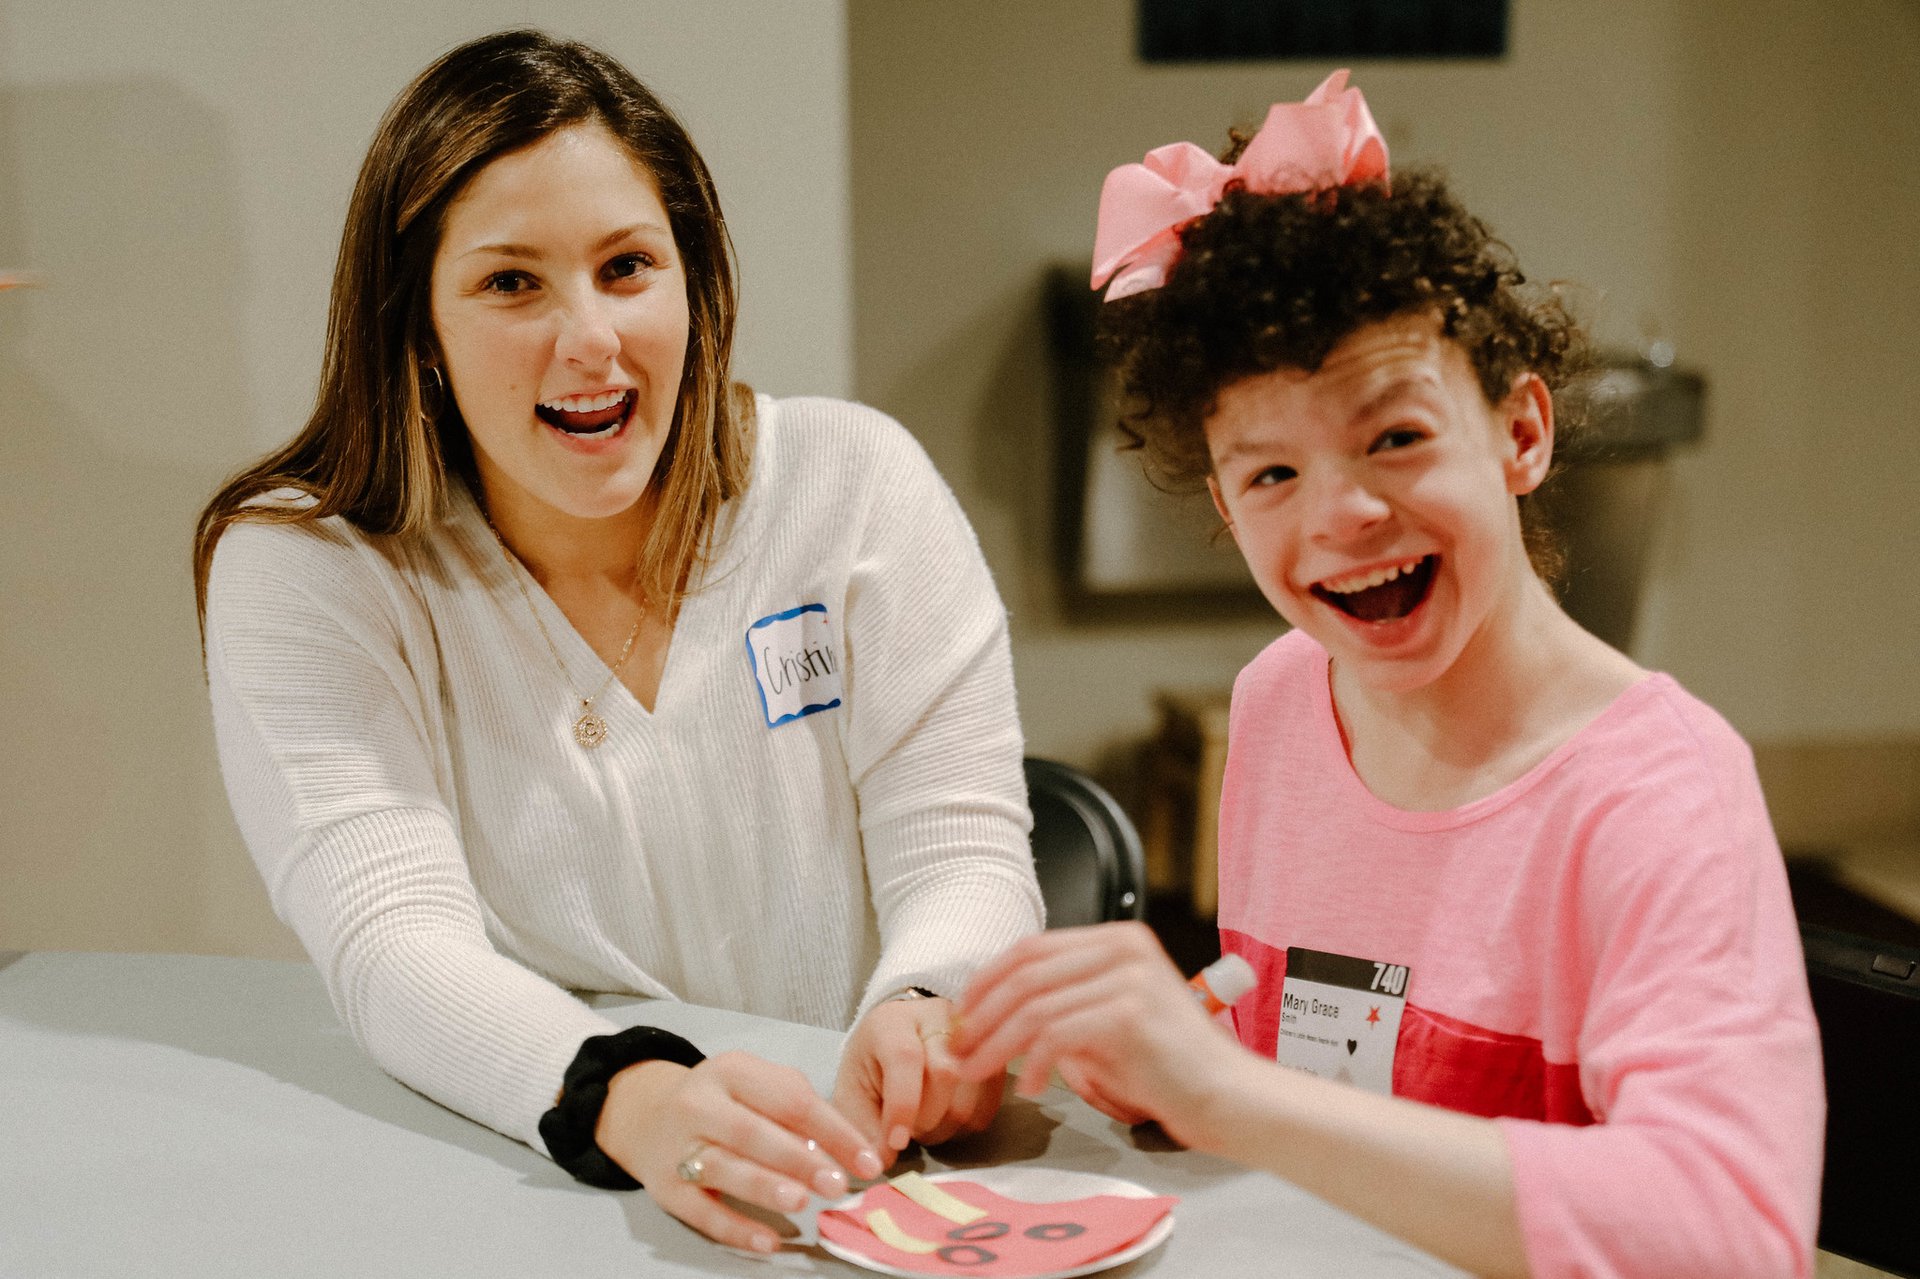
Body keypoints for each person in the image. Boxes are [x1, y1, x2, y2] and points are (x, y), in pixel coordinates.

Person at [950, 72, 1822, 1279]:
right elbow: (1323, 1071)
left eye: (1395, 437)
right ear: (1221, 503)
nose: (1344, 515)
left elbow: (1732, 1235)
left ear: (1522, 431)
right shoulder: (1280, 702)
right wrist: (1179, 1064)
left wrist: (1234, 1099)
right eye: (1271, 475)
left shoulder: (1658, 792)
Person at [194, 29, 1042, 1255]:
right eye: (511, 283)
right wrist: (627, 1099)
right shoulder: (306, 567)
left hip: (873, 1193)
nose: (589, 338)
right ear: (416, 327)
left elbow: (964, 850)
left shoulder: (855, 482)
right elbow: (391, 943)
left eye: (627, 267)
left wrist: (932, 1003)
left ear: (693, 283)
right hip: (544, 1191)